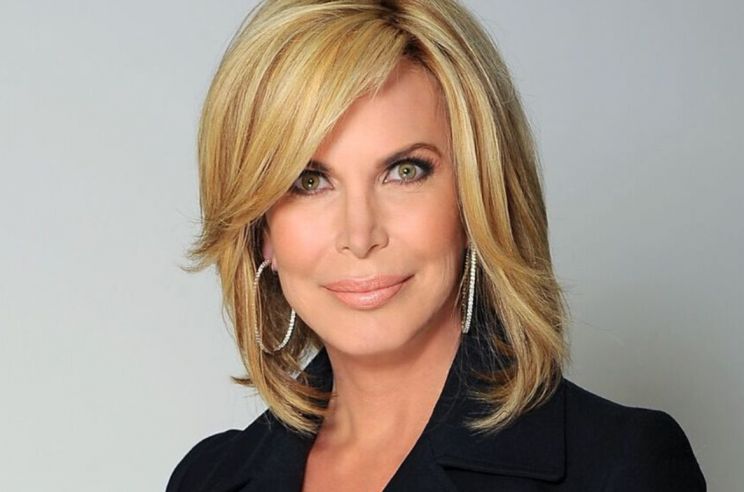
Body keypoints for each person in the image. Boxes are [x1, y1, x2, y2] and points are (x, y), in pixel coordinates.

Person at [166, 1, 706, 490]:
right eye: (309, 182)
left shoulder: (622, 466)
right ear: (260, 229)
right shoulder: (208, 478)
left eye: (405, 171)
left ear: (476, 200)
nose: (360, 235)